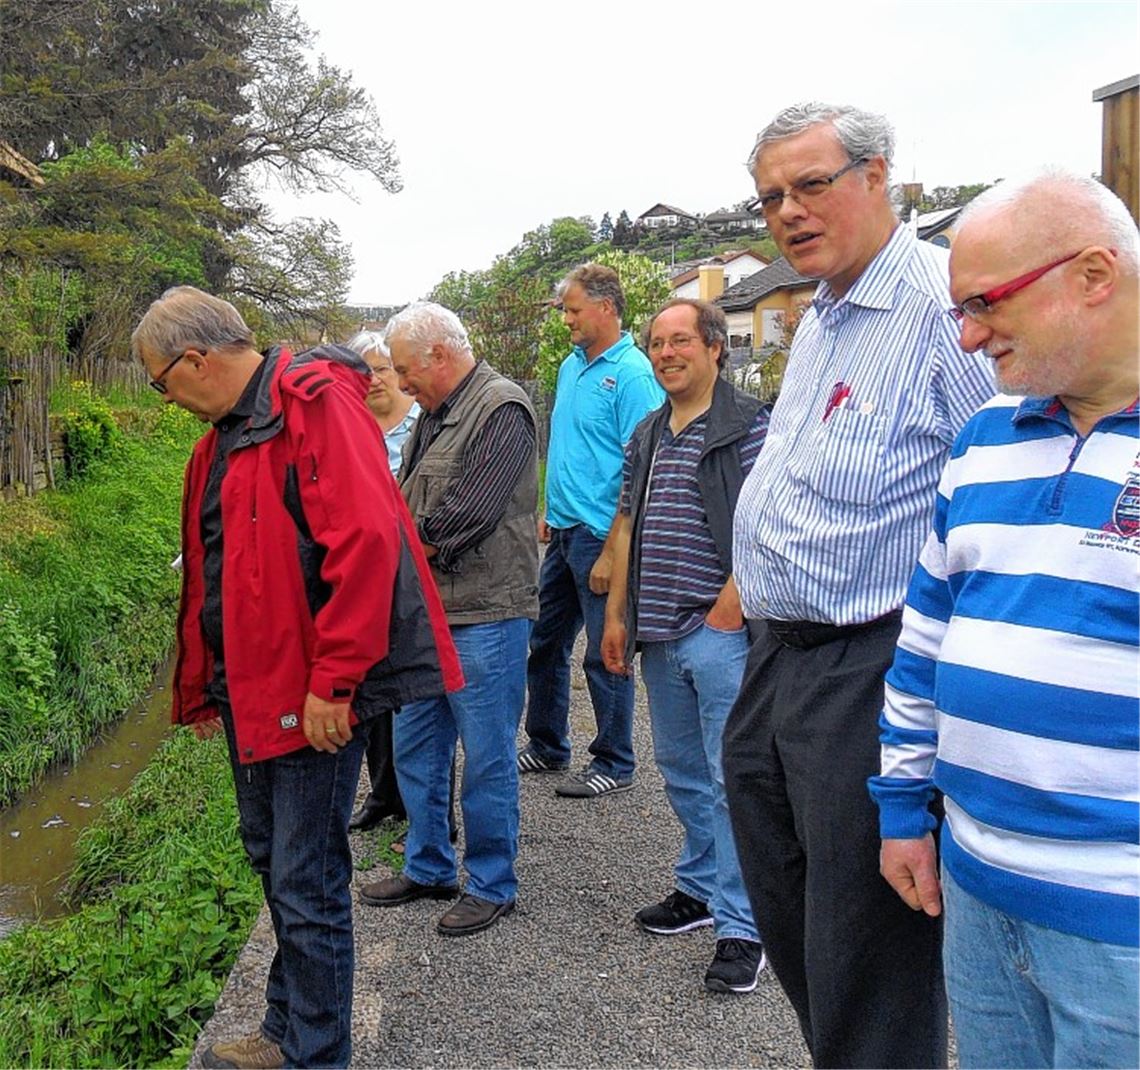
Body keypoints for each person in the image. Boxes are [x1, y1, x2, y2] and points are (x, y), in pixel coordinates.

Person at [723, 102, 995, 1067]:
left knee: (865, 943)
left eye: (811, 184)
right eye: (770, 197)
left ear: (879, 176)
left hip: (868, 662)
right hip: (777, 656)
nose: (787, 212)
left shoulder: (936, 308)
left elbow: (1004, 482)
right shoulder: (826, 312)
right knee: (791, 913)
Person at [131, 286, 462, 1069]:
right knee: (273, 864)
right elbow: (224, 571)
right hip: (253, 691)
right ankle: (286, 1032)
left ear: (194, 360)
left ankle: (317, 1054)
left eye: (158, 381)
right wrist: (206, 684)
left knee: (307, 881)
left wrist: (335, 682)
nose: (164, 398)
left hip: (309, 698)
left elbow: (367, 543)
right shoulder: (229, 436)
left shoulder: (310, 405)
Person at [870, 170, 1140, 1069]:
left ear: (1095, 274)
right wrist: (905, 805)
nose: (969, 334)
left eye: (986, 302)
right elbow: (926, 640)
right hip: (976, 892)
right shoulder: (984, 436)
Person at [601, 298, 769, 994]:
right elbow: (627, 526)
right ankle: (700, 889)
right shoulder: (647, 433)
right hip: (659, 635)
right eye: (658, 344)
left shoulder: (749, 424)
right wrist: (616, 616)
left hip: (716, 631)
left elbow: (768, 522)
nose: (667, 354)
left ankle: (744, 927)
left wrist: (731, 609)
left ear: (713, 348)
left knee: (734, 782)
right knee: (682, 771)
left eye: (681, 342)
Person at [357, 302, 539, 936]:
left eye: (406, 371)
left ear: (439, 355)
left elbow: (465, 517)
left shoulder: (500, 407)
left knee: (487, 754)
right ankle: (429, 866)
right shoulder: (436, 414)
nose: (401, 385)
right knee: (417, 747)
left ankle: (492, 883)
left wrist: (384, 553)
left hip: (486, 614)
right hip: (429, 613)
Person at [520, 263, 664, 798]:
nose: (567, 321)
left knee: (605, 650)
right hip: (562, 531)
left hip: (603, 536)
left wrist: (615, 548)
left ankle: (615, 761)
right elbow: (571, 446)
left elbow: (643, 463)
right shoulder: (570, 366)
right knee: (545, 640)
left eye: (574, 310)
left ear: (606, 307)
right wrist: (551, 509)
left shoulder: (631, 374)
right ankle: (548, 743)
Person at [342, 329, 421, 833]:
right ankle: (382, 794)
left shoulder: (422, 424)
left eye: (383, 369)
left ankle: (422, 803)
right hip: (365, 576)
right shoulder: (349, 427)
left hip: (414, 573)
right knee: (370, 691)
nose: (374, 380)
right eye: (364, 371)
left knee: (414, 695)